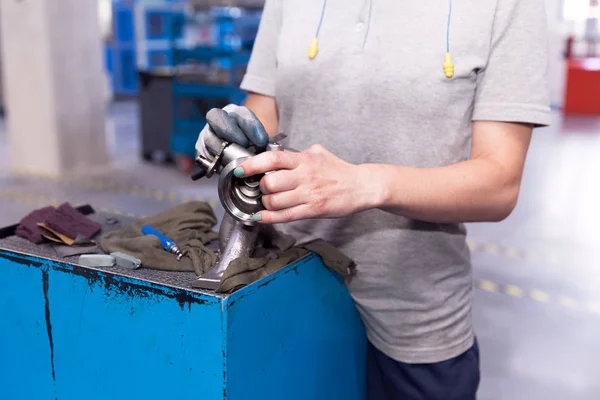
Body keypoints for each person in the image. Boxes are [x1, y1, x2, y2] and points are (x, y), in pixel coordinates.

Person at [196, 0, 551, 398]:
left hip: (413, 320)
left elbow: (498, 185)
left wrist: (368, 183)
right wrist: (233, 142)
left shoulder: (507, 6)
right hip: (283, 291)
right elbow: (264, 121)